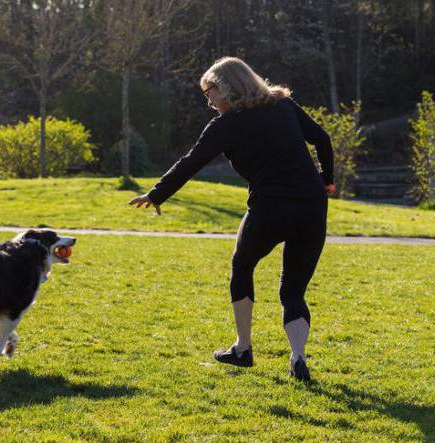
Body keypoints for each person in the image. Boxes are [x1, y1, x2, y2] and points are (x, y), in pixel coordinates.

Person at [129, 57, 335, 382]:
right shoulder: (283, 105)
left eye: (209, 91)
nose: (208, 100)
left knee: (242, 265)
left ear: (226, 87)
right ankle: (297, 357)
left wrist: (156, 194)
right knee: (292, 291)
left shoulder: (226, 125)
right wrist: (326, 180)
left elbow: (190, 162)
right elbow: (322, 138)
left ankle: (243, 349)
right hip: (312, 206)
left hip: (270, 207)